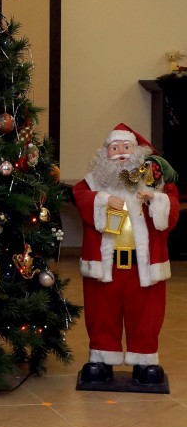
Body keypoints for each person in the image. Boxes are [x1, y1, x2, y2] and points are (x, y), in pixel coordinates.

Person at [73, 123, 179, 386]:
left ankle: (145, 361)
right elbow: (81, 196)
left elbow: (172, 207)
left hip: (143, 266)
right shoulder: (95, 181)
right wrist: (102, 199)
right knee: (101, 312)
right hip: (105, 265)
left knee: (147, 313)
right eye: (114, 148)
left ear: (137, 152)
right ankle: (101, 359)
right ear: (105, 153)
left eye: (126, 147)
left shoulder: (153, 181)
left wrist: (154, 199)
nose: (120, 153)